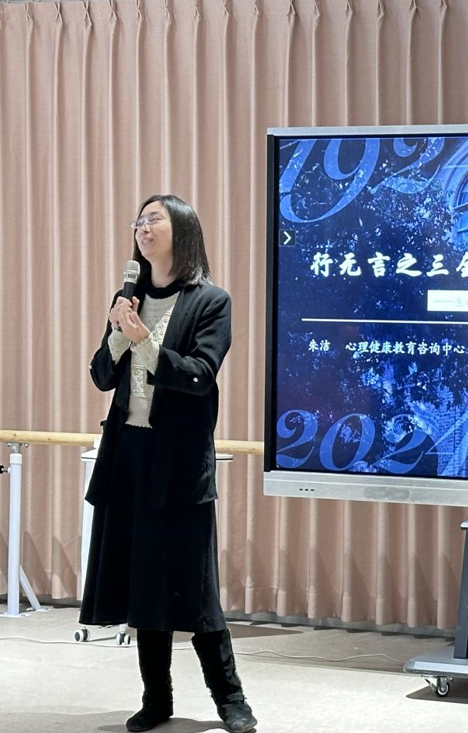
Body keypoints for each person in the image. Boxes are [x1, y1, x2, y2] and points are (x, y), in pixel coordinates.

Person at [79, 194, 257, 733]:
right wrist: (119, 334)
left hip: (179, 463)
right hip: (128, 458)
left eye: (153, 218)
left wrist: (146, 344)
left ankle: (230, 699)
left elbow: (200, 375)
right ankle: (157, 699)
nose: (143, 227)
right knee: (144, 586)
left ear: (183, 229)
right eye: (139, 220)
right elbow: (101, 375)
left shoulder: (210, 301)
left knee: (195, 589)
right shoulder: (128, 298)